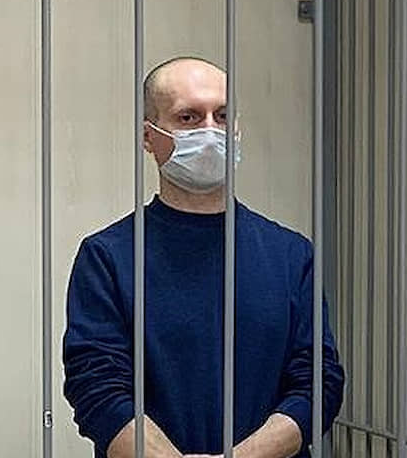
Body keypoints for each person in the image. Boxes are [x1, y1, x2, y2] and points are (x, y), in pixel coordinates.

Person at [63, 57, 345, 458]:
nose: (211, 131)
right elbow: (96, 386)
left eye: (223, 116)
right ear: (148, 136)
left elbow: (318, 383)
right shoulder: (107, 257)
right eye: (188, 118)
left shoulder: (291, 255)